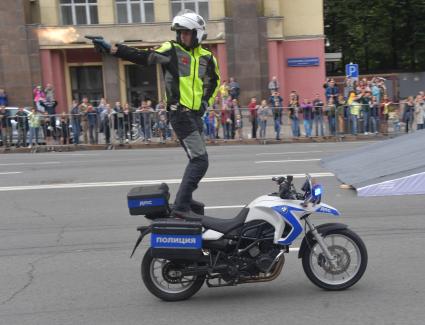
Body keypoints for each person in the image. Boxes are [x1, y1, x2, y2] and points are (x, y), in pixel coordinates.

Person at [91, 9, 220, 219]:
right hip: (180, 114)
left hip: (196, 116)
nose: (183, 36)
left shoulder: (208, 57)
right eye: (180, 33)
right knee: (200, 161)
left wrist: (206, 103)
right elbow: (143, 57)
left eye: (187, 33)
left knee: (195, 159)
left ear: (197, 34)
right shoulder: (171, 50)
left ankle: (184, 199)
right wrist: (113, 50)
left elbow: (214, 82)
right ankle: (181, 206)